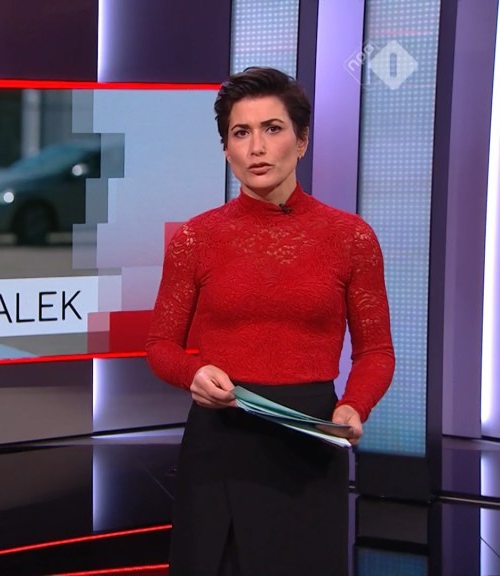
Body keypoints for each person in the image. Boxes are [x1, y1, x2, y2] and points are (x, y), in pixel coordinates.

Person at [145, 67, 395, 576]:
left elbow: (376, 352)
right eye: (241, 132)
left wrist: (354, 405)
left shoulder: (351, 238)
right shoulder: (195, 238)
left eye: (272, 129)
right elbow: (160, 346)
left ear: (301, 142)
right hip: (220, 440)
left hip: (310, 441)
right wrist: (192, 373)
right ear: (226, 149)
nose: (256, 147)